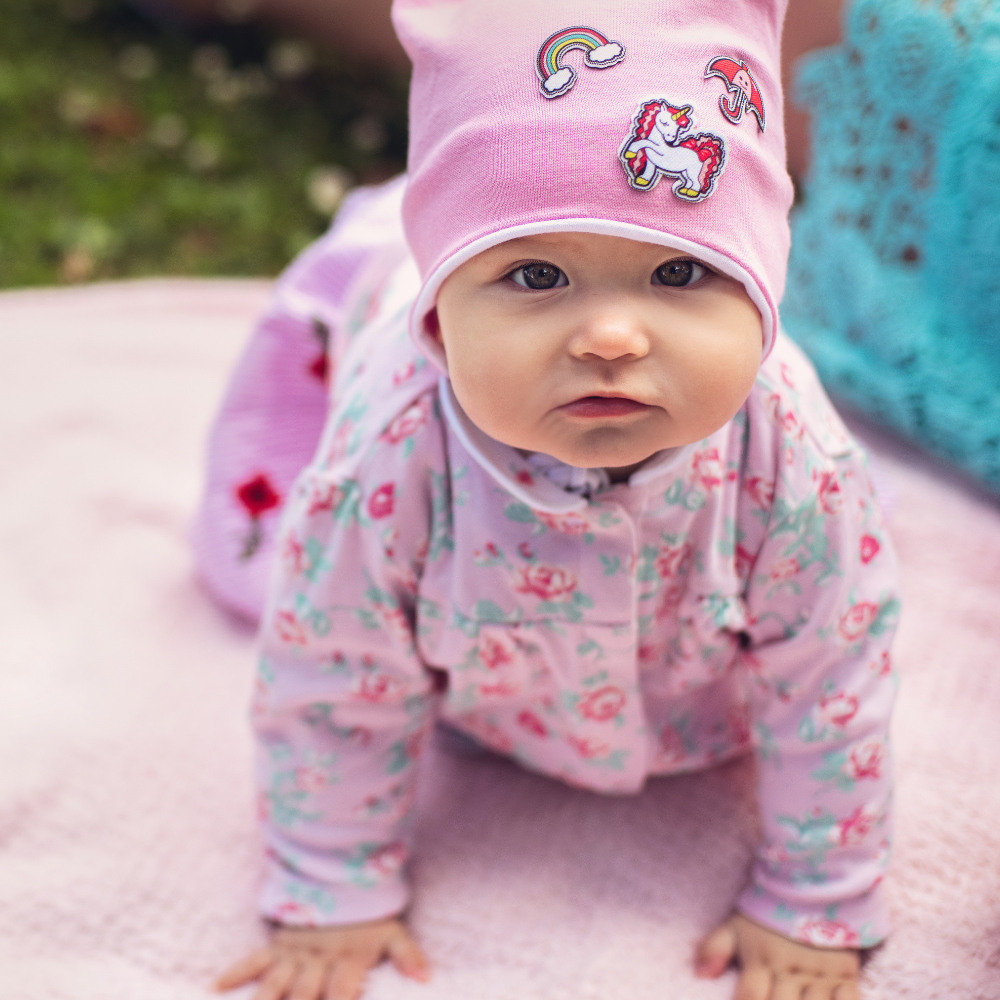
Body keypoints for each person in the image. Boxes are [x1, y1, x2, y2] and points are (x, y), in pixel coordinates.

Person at [197, 2, 899, 998]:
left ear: (761, 290)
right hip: (485, 711)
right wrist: (334, 882)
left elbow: (833, 672)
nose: (610, 334)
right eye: (535, 273)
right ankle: (389, 253)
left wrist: (818, 895)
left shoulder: (793, 459)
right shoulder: (387, 454)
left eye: (679, 270)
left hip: (698, 712)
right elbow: (332, 669)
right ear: (441, 314)